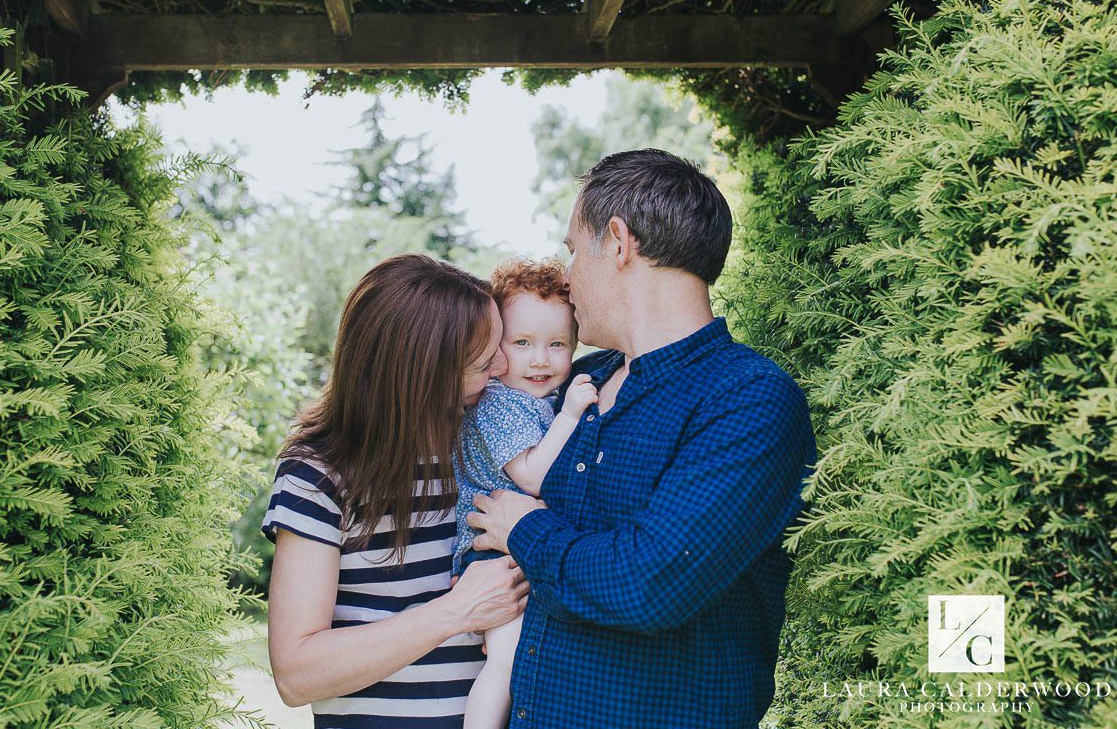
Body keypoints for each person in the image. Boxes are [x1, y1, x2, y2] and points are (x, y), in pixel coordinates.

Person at [466, 149, 818, 728]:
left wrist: (521, 528)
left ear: (619, 242)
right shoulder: (584, 379)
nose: (568, 274)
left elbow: (648, 582)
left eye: (573, 250)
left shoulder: (748, 399)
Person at [262, 253, 529, 729]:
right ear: (422, 374)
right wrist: (455, 611)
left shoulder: (489, 456)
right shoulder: (318, 476)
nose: (505, 365)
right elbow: (296, 674)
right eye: (484, 360)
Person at [450, 258, 597, 729]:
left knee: (525, 662)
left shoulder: (535, 401)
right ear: (496, 350)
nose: (540, 360)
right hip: (489, 558)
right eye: (522, 343)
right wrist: (573, 412)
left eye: (557, 345)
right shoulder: (498, 404)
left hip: (520, 550)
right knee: (507, 661)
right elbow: (532, 476)